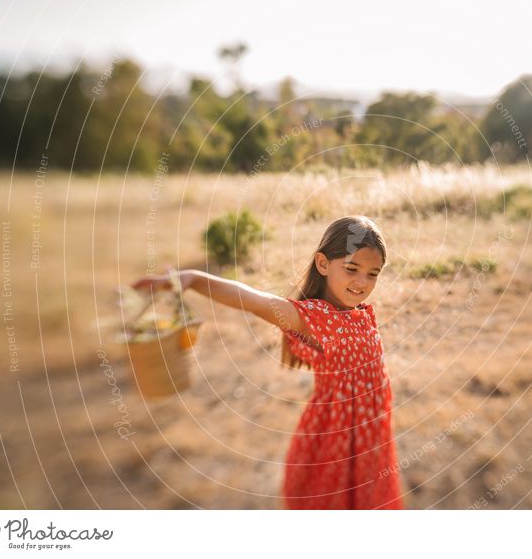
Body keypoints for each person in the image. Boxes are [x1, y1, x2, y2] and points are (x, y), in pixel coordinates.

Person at [131, 215, 404, 510]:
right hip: (337, 439)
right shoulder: (312, 317)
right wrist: (196, 280)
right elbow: (252, 299)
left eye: (373, 273)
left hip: (371, 435)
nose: (362, 282)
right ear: (323, 264)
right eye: (352, 269)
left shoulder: (360, 312)